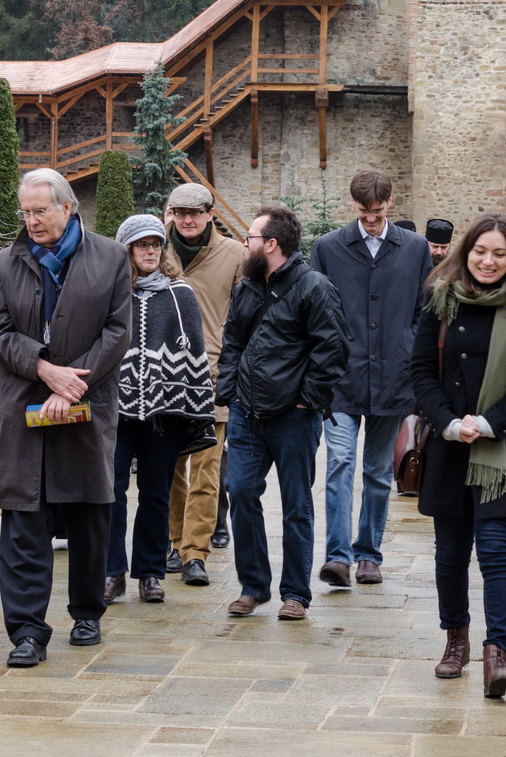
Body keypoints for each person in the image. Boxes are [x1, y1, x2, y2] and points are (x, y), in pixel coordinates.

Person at [0, 168, 132, 668]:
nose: (31, 221)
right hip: (25, 406)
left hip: (87, 405)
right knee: (24, 521)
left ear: (67, 208)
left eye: (40, 211)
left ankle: (87, 612)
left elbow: (118, 331)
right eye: (25, 212)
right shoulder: (4, 264)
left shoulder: (111, 257)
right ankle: (27, 631)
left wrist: (74, 385)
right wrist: (46, 371)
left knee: (89, 515)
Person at [410, 213, 506, 699]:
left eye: (499, 254)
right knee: (450, 553)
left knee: (496, 550)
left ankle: (497, 653)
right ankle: (455, 640)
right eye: (480, 251)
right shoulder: (439, 299)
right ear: (465, 252)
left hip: (501, 446)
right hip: (448, 444)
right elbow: (420, 371)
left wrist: (488, 423)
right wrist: (450, 423)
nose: (488, 261)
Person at [216, 204, 349, 621]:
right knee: (240, 493)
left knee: (296, 505)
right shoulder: (246, 288)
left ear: (271, 244)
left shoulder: (314, 287)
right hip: (246, 412)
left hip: (294, 417)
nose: (245, 244)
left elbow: (333, 350)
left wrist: (307, 399)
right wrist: (230, 393)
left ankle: (295, 594)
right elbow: (233, 343)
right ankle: (253, 586)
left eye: (251, 238)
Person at [310, 169, 432, 587]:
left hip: (394, 377)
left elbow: (425, 310)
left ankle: (368, 554)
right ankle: (338, 557)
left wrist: (408, 347)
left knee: (379, 471)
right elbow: (314, 308)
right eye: (364, 212)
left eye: (377, 211)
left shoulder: (415, 248)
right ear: (353, 205)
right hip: (340, 378)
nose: (371, 219)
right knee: (340, 463)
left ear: (390, 203)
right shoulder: (328, 247)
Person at [106, 214, 213, 605]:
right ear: (127, 250)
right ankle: (111, 571)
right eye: (141, 245)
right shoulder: (111, 293)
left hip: (166, 416)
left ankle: (150, 573)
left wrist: (192, 406)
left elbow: (194, 352)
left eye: (155, 245)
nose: (150, 251)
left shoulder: (181, 294)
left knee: (156, 494)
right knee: (111, 492)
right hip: (116, 414)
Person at [160, 183, 247, 583]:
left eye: (195, 212)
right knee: (170, 468)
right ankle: (175, 543)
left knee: (207, 471)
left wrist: (234, 366)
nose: (187, 219)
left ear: (211, 213)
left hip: (213, 375)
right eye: (180, 212)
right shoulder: (154, 249)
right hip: (164, 375)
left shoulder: (235, 255)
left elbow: (246, 316)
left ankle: (196, 552)